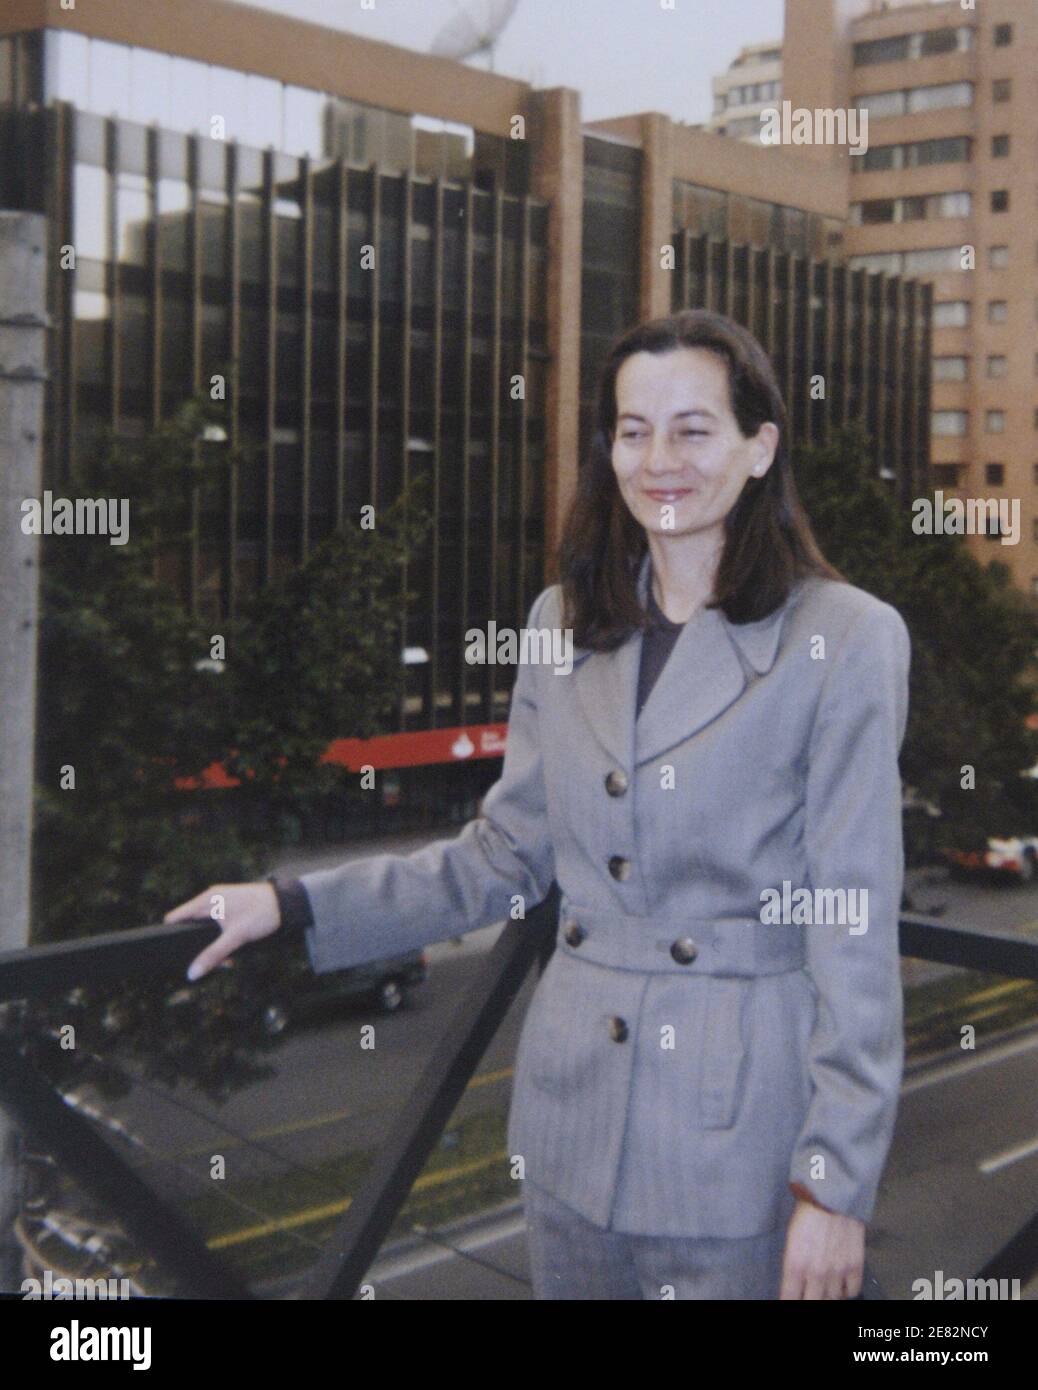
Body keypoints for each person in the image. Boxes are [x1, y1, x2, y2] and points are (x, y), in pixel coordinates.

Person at [165, 308, 911, 1300]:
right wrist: (289, 905)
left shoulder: (848, 637)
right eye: (632, 430)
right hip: (570, 1133)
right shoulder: (564, 620)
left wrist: (834, 1185)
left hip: (734, 1147)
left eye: (693, 429)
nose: (659, 460)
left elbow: (852, 927)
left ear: (759, 445)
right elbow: (503, 856)